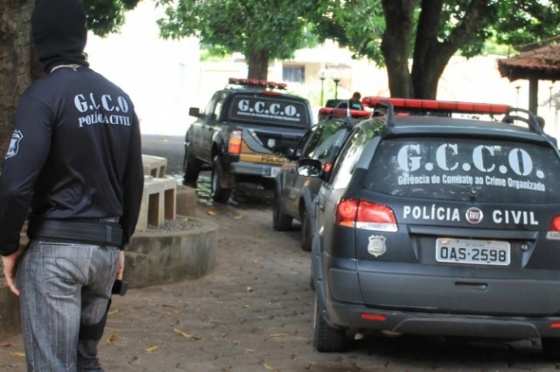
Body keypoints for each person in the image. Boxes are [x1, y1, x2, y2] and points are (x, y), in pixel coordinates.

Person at [0, 0, 144, 370]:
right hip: (105, 254)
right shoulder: (120, 99)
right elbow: (134, 181)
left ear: (39, 40)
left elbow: (15, 185)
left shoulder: (42, 96)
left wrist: (8, 246)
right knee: (85, 361)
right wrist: (119, 242)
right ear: (81, 36)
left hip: (56, 256)